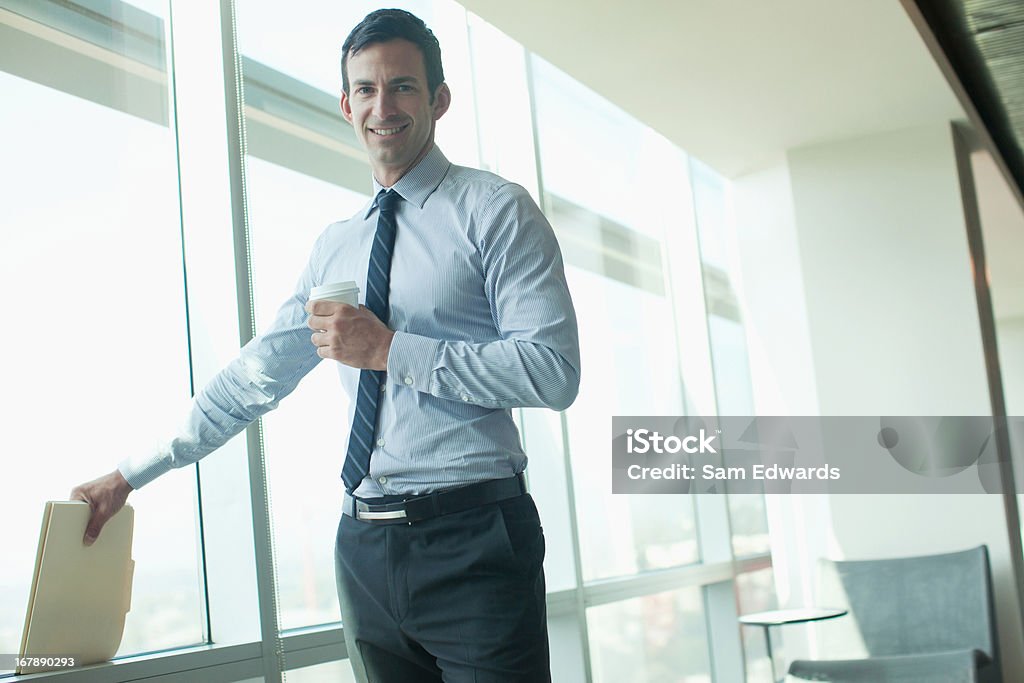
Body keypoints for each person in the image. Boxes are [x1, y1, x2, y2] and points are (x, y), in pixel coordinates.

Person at [70, 8, 579, 683]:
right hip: (364, 546)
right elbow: (257, 375)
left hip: (476, 536)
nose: (383, 105)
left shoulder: (496, 211)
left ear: (439, 99)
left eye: (402, 86)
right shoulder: (337, 246)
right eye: (365, 89)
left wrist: (391, 349)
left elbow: (553, 371)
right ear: (346, 106)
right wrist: (130, 472)